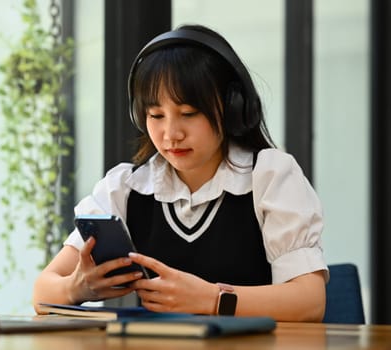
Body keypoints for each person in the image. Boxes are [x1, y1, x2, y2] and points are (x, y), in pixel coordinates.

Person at [33, 24, 328, 322]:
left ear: (233, 108)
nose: (171, 134)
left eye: (188, 113)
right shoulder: (125, 188)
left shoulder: (270, 176)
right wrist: (77, 288)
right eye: (155, 116)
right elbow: (42, 293)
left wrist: (213, 299)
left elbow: (309, 301)